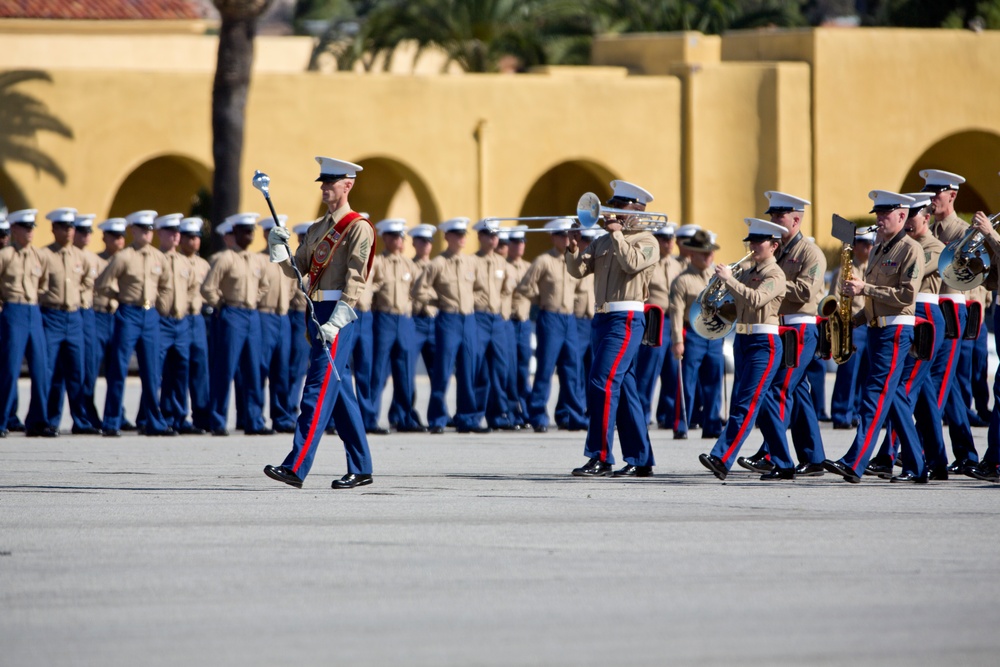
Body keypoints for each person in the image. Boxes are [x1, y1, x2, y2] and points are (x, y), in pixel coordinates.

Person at [264, 156, 375, 489]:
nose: (325, 188)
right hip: (315, 312)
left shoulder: (358, 227)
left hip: (339, 314)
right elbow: (298, 272)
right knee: (338, 394)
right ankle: (361, 466)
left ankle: (296, 466)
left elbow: (357, 277)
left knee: (316, 389)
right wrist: (278, 249)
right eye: (323, 183)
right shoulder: (316, 229)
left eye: (331, 182)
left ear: (348, 185)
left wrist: (339, 318)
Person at [823, 190, 923, 483]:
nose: (879, 219)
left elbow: (907, 295)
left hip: (896, 330)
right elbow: (872, 300)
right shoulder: (880, 248)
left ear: (902, 216)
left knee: (875, 395)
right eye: (877, 214)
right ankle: (917, 466)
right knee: (896, 401)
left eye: (885, 214)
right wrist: (851, 322)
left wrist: (864, 289)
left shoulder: (910, 249)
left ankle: (855, 462)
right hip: (876, 327)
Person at [565, 180, 659, 478]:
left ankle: (601, 456)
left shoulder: (647, 240)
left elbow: (632, 264)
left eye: (618, 207)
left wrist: (618, 235)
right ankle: (640, 458)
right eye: (612, 205)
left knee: (601, 382)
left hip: (626, 319)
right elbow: (578, 271)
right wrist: (572, 246)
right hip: (602, 319)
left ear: (636, 209)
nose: (611, 212)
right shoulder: (603, 240)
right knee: (626, 390)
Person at [739, 192, 827, 476]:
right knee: (799, 391)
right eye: (772, 216)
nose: (774, 221)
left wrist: (771, 284)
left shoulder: (810, 253)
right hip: (780, 326)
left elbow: (805, 291)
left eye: (779, 217)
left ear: (796, 219)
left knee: (778, 389)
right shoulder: (775, 250)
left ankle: (771, 455)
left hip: (799, 327)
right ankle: (813, 458)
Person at [698, 218, 790, 480]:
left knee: (745, 404)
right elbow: (739, 306)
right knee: (765, 406)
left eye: (758, 241)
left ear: (773, 245)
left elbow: (758, 299)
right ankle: (784, 463)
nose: (752, 245)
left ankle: (722, 457)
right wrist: (715, 308)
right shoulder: (749, 272)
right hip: (744, 340)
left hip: (764, 343)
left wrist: (729, 280)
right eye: (751, 241)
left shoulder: (776, 275)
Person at [866, 193, 947, 482]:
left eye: (912, 215)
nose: (908, 220)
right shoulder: (894, 246)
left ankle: (889, 456)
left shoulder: (931, 247)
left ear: (923, 217)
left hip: (920, 316)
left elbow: (909, 280)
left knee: (901, 390)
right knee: (922, 396)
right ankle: (937, 460)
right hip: (902, 315)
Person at [94, 210, 174, 437]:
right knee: (118, 369)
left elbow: (166, 284)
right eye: (142, 229)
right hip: (128, 312)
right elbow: (101, 283)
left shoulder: (159, 257)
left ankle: (153, 422)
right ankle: (111, 421)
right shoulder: (124, 257)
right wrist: (119, 297)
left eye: (150, 230)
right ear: (134, 231)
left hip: (150, 315)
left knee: (151, 371)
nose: (147, 234)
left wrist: (161, 304)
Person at [922, 169, 980, 474]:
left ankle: (924, 451)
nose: (931, 202)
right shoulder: (928, 229)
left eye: (936, 195)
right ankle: (967, 455)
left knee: (936, 383)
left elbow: (970, 278)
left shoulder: (961, 231)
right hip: (933, 308)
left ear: (952, 196)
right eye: (929, 195)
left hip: (950, 307)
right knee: (952, 385)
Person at [200, 212, 271, 436]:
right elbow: (207, 288)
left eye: (252, 231)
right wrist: (221, 303)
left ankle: (254, 420)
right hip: (232, 313)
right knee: (225, 368)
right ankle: (218, 420)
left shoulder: (257, 260)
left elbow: (265, 285)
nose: (250, 235)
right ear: (236, 233)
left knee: (254, 370)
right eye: (245, 231)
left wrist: (255, 299)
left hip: (252, 315)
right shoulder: (226, 259)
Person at [517, 218, 586, 433]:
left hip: (569, 319)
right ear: (553, 237)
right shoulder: (543, 261)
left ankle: (573, 415)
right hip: (551, 318)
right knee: (545, 369)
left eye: (569, 234)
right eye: (561, 235)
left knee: (572, 369)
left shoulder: (573, 259)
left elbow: (580, 287)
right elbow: (525, 287)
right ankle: (538, 415)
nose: (566, 238)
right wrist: (541, 301)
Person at [414, 218, 480, 434]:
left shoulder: (471, 262)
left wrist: (474, 302)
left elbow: (480, 289)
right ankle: (437, 418)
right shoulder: (437, 264)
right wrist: (437, 302)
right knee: (442, 371)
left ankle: (467, 418)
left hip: (468, 320)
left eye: (464, 234)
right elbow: (418, 290)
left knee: (468, 370)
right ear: (447, 237)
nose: (461, 238)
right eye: (457, 234)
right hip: (448, 320)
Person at [39, 207, 97, 435]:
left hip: (74, 317)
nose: (69, 231)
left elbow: (87, 281)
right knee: (50, 372)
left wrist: (78, 298)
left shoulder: (80, 256)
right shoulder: (44, 255)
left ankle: (81, 421)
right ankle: (49, 420)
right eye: (64, 227)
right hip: (52, 315)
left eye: (72, 227)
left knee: (77, 373)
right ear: (53, 229)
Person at [0, 209, 53, 437]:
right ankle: (2, 420)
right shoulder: (5, 255)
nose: (30, 232)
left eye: (32, 227)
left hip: (34, 311)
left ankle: (38, 421)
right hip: (13, 310)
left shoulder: (39, 256)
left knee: (41, 369)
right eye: (25, 227)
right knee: (10, 370)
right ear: (14, 229)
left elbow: (44, 283)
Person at [369, 218, 424, 432]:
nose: (398, 240)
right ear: (385, 238)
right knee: (379, 371)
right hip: (384, 318)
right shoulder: (378, 262)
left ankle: (404, 416)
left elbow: (420, 288)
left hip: (405, 319)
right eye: (393, 236)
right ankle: (370, 417)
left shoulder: (409, 264)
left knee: (406, 372)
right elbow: (368, 288)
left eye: (401, 236)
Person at [668, 230, 724, 439]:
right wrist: (677, 341)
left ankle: (711, 424)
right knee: (687, 382)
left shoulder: (716, 277)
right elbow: (675, 311)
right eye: (703, 254)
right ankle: (681, 424)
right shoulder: (682, 280)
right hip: (692, 334)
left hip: (713, 334)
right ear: (692, 254)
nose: (708, 257)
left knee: (713, 382)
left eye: (710, 253)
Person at [147, 213, 197, 434]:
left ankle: (178, 416)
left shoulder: (185, 262)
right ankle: (152, 417)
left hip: (181, 322)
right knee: (155, 371)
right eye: (170, 231)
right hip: (161, 321)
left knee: (180, 372)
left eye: (178, 232)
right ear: (160, 234)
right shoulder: (155, 260)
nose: (176, 236)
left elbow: (193, 288)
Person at [470, 220, 516, 431]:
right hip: (478, 318)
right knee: (478, 368)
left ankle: (498, 415)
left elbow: (508, 290)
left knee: (500, 368)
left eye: (495, 235)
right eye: (488, 234)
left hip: (496, 319)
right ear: (480, 237)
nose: (493, 239)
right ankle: (475, 416)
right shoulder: (472, 261)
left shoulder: (503, 264)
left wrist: (502, 309)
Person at [635, 223, 682, 428]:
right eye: (664, 239)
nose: (669, 243)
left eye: (671, 239)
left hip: (674, 321)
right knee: (648, 370)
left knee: (673, 371)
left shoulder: (677, 265)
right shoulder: (648, 262)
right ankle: (642, 414)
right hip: (655, 320)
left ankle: (669, 414)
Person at [829, 226, 874, 429]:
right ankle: (841, 414)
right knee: (848, 371)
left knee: (867, 372)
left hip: (871, 323)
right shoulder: (844, 270)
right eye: (865, 243)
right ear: (855, 246)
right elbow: (834, 299)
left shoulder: (874, 268)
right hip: (853, 324)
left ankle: (858, 412)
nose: (869, 247)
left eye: (872, 243)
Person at [257, 215, 298, 434]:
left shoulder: (288, 260)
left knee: (283, 370)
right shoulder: (259, 259)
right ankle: (254, 417)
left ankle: (282, 417)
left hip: (284, 317)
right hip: (264, 316)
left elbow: (293, 288)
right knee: (260, 369)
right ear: (266, 234)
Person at [401, 223, 437, 429]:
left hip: (433, 320)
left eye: (429, 241)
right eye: (422, 241)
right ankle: (406, 413)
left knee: (437, 371)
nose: (426, 245)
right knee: (407, 370)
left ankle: (437, 414)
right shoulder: (409, 266)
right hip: (414, 320)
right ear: (414, 243)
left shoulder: (436, 265)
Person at [177, 216, 211, 434]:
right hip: (178, 318)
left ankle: (201, 416)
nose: (195, 241)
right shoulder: (174, 261)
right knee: (179, 369)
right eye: (190, 237)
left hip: (197, 318)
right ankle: (178, 416)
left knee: (200, 368)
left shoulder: (203, 264)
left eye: (197, 237)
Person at [505, 227, 531, 429]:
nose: (519, 246)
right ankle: (511, 412)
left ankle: (526, 411)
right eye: (515, 242)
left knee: (523, 370)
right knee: (509, 370)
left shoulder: (529, 267)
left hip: (524, 322)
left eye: (522, 242)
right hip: (508, 322)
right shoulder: (504, 266)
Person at [286, 222, 313, 415]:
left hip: (319, 315)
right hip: (299, 315)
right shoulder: (294, 264)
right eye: (303, 238)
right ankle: (291, 408)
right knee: (297, 366)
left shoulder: (322, 260)